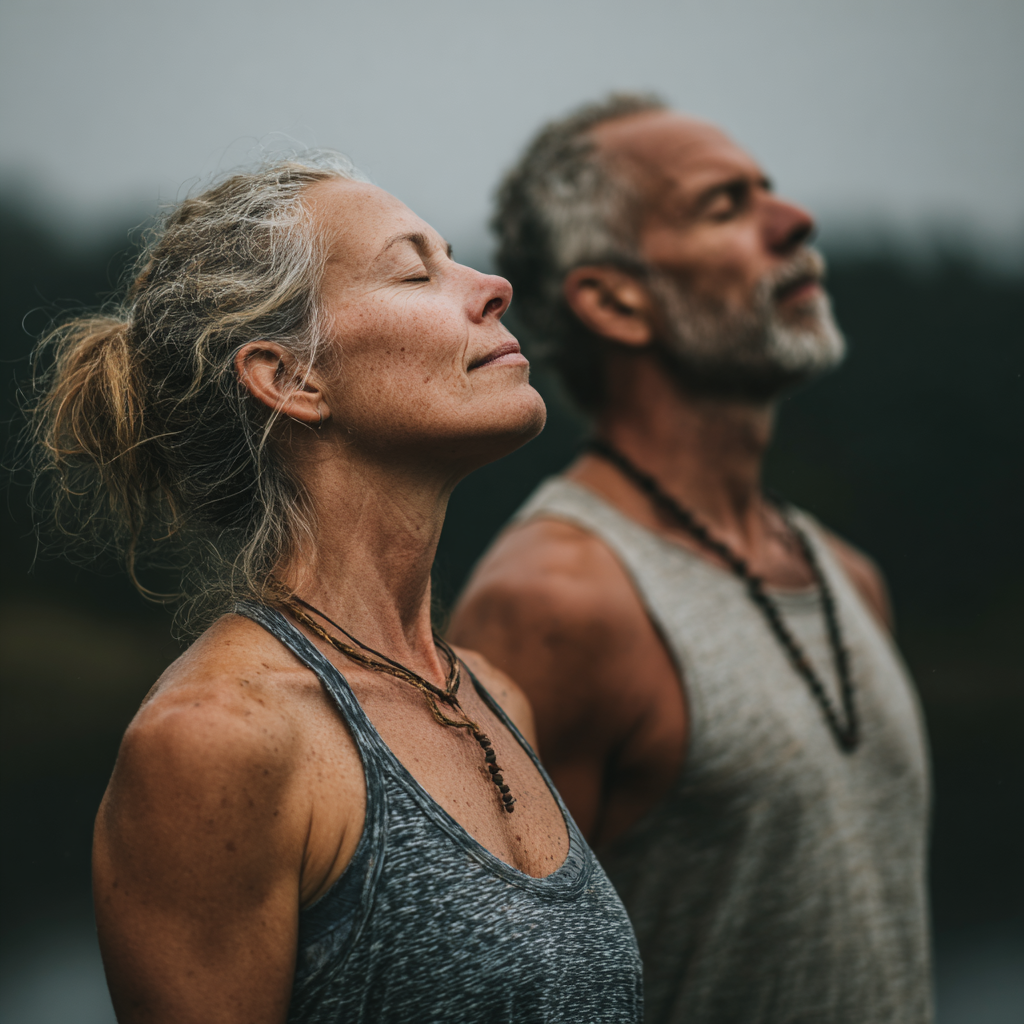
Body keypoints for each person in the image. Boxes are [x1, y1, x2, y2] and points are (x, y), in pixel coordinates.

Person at [30, 155, 643, 1023]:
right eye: (414, 269)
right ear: (292, 379)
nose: (494, 286)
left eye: (457, 257)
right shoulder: (218, 739)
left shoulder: (494, 699)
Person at [450, 95, 932, 1023]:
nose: (795, 222)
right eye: (725, 206)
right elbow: (495, 993)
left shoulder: (848, 578)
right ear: (615, 301)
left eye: (771, 192)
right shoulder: (554, 603)